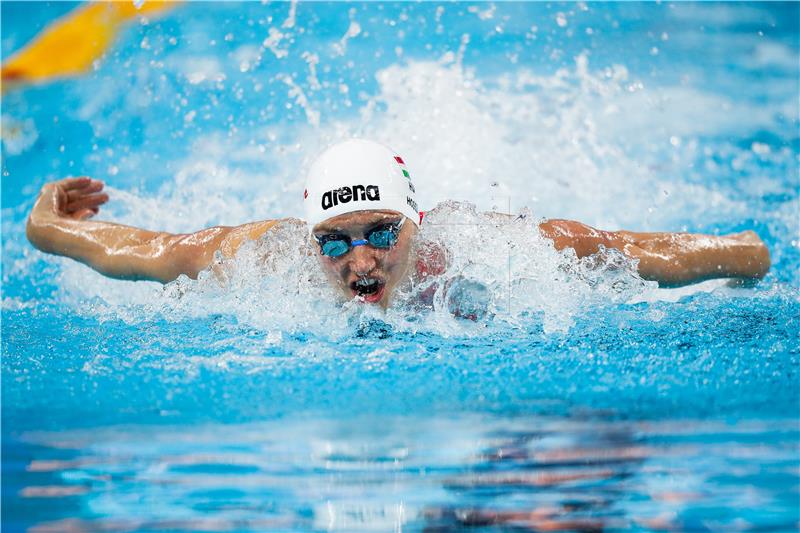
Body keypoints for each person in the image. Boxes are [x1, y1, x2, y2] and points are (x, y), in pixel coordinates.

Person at [26, 139, 771, 310]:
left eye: (381, 232)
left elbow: (630, 250)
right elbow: (145, 251)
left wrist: (745, 254)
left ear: (413, 222)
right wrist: (47, 225)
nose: (360, 260)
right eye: (335, 240)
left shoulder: (491, 247)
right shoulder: (261, 259)